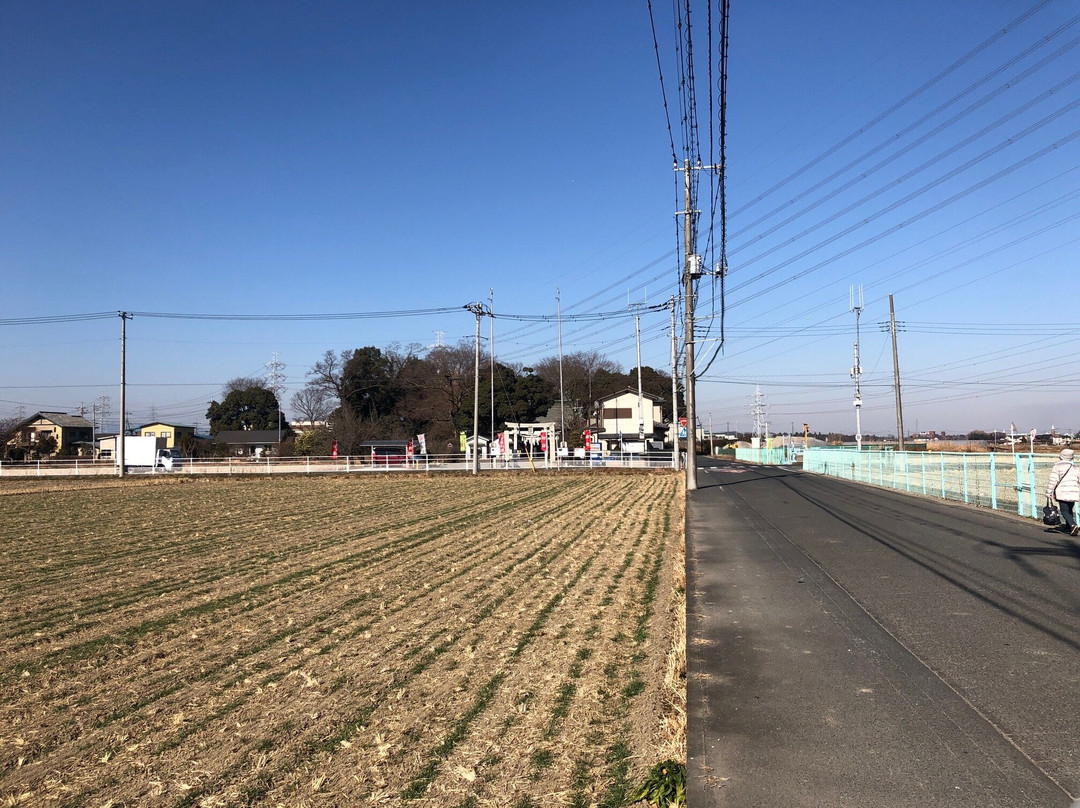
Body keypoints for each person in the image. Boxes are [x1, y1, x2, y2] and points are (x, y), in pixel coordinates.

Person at [1045, 447, 1080, 536]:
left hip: (1062, 491)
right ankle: (1068, 527)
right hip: (1074, 492)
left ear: (1061, 456)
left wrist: (1048, 492)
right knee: (1069, 509)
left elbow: (1053, 480)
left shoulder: (1057, 467)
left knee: (1064, 510)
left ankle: (1073, 525)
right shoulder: (1075, 468)